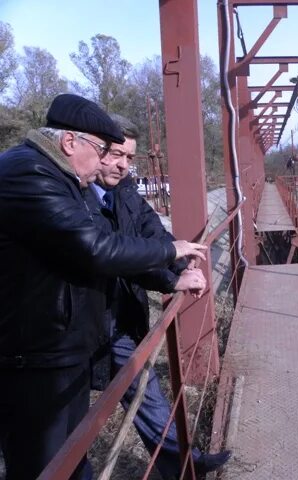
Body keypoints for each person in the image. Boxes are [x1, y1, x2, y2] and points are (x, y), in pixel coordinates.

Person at [0, 94, 207, 480]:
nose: (106, 165)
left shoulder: (58, 174)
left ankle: (181, 460)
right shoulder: (31, 174)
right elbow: (96, 247)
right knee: (44, 464)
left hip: (59, 345)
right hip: (33, 353)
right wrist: (169, 251)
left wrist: (171, 266)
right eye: (102, 152)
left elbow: (129, 234)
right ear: (69, 143)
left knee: (70, 457)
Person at [87, 113, 230, 478]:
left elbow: (149, 229)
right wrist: (171, 281)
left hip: (116, 317)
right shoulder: (77, 196)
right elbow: (118, 254)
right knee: (67, 427)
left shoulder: (123, 188)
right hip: (82, 323)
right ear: (95, 149)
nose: (122, 165)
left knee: (143, 388)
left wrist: (181, 264)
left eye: (130, 158)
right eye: (115, 154)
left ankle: (182, 464)